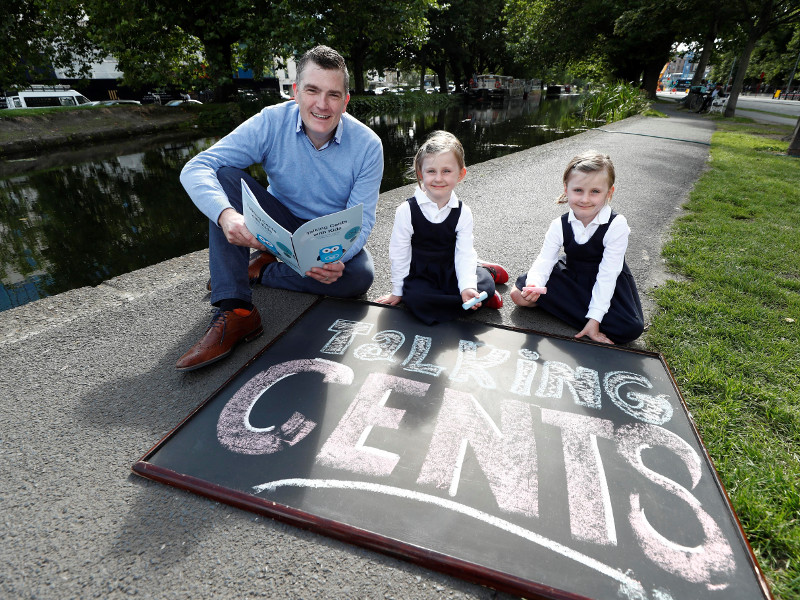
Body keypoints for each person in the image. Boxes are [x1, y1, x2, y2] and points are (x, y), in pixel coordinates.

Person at [176, 45, 383, 371]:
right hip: (278, 221)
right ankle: (237, 310)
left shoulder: (369, 145)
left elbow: (363, 219)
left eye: (333, 95)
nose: (321, 104)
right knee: (224, 176)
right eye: (312, 91)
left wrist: (332, 259)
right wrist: (226, 215)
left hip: (325, 236)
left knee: (358, 278)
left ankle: (263, 269)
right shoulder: (271, 121)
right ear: (295, 92)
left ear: (345, 101)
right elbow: (196, 168)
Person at [510, 151, 644, 345]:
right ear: (566, 188)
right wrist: (534, 284)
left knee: (629, 329)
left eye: (595, 192)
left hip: (606, 281)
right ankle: (573, 308)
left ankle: (579, 313)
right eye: (578, 190)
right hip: (572, 274)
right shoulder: (559, 224)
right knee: (519, 296)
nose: (585, 199)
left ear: (609, 192)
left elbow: (608, 274)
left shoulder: (617, 225)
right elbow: (545, 260)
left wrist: (595, 319)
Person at [376, 130, 507, 325]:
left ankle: (484, 281)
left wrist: (467, 288)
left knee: (482, 285)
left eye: (447, 171)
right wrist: (397, 291)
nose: (438, 178)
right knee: (415, 300)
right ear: (421, 173)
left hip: (451, 268)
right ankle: (479, 300)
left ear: (460, 174)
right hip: (422, 273)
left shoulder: (463, 212)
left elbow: (464, 253)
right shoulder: (407, 210)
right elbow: (399, 253)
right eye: (431, 171)